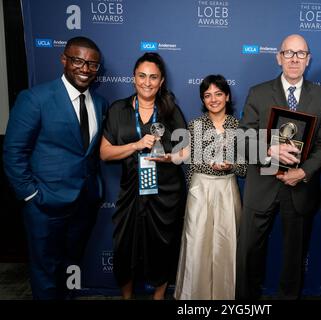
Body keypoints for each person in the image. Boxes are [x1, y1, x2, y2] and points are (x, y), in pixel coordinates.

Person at [3, 36, 108, 299]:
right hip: (45, 205)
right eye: (78, 61)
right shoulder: (35, 98)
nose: (85, 69)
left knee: (69, 267)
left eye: (92, 65)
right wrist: (31, 195)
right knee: (45, 272)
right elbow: (14, 151)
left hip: (84, 202)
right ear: (64, 60)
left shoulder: (100, 104)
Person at [236, 34, 321, 299]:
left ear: (308, 59)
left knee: (294, 260)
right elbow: (241, 141)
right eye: (288, 53)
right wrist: (269, 149)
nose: (294, 59)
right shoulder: (258, 93)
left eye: (300, 53)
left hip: (299, 187)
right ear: (278, 57)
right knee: (249, 255)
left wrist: (304, 172)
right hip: (262, 185)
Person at [100, 52, 187, 300]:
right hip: (131, 191)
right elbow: (105, 153)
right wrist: (136, 145)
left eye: (153, 77)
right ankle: (127, 297)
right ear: (133, 78)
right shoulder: (118, 110)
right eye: (142, 76)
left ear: (161, 82)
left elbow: (187, 150)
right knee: (125, 247)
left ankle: (158, 296)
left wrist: (169, 158)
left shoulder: (171, 109)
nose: (147, 82)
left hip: (166, 192)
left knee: (164, 245)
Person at [174, 75, 247, 300]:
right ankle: (193, 297)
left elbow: (244, 168)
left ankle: (226, 297)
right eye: (207, 95)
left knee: (227, 243)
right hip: (200, 187)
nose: (213, 99)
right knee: (196, 243)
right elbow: (189, 161)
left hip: (227, 188)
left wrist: (231, 165)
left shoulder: (238, 126)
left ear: (227, 96)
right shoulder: (195, 125)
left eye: (218, 94)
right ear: (202, 100)